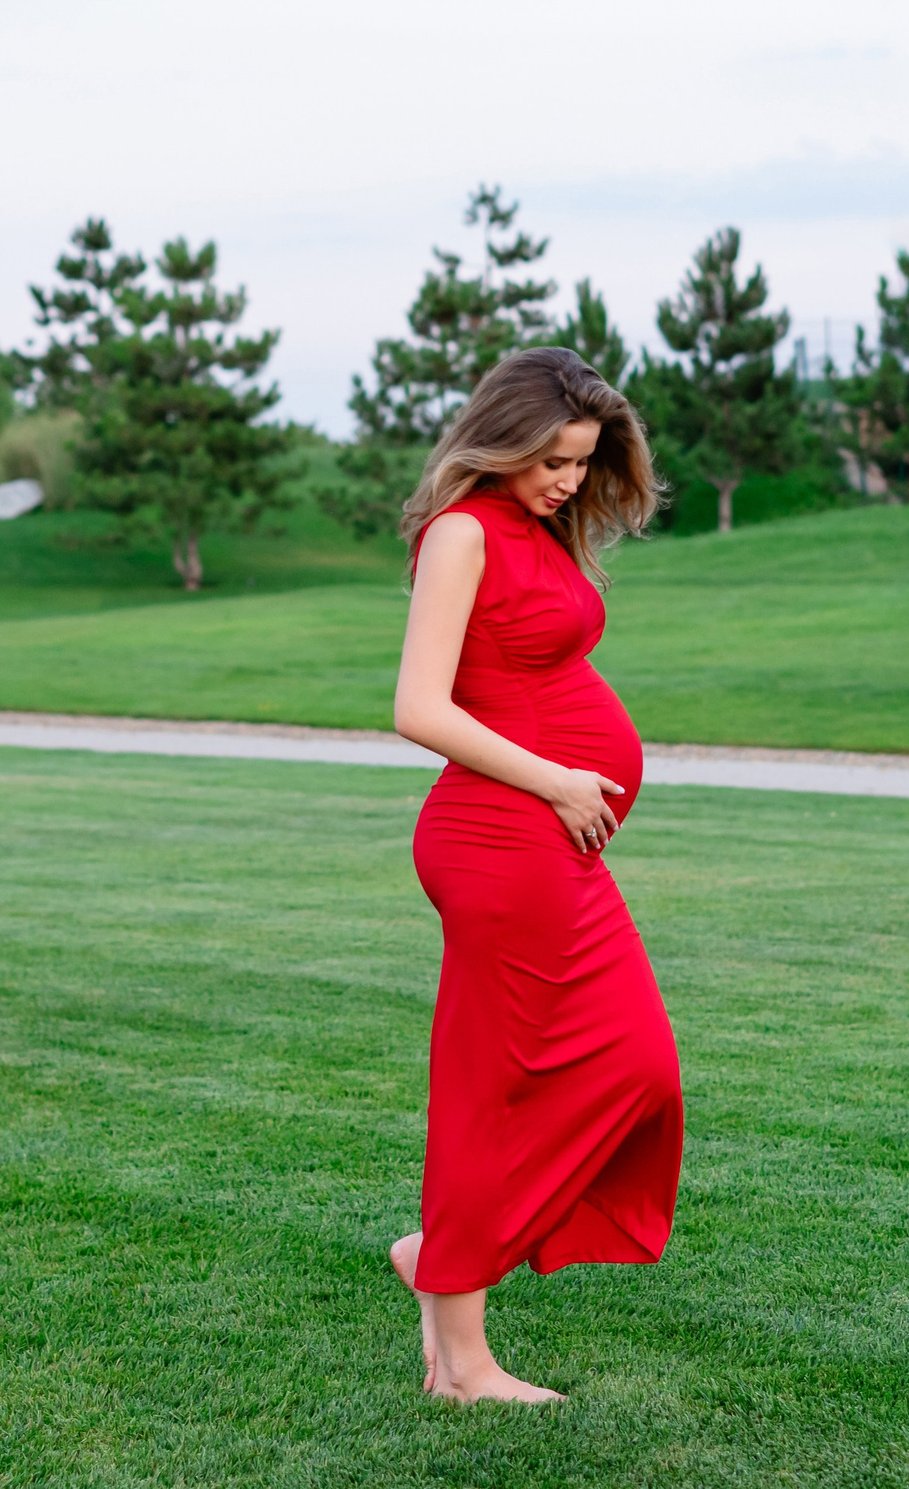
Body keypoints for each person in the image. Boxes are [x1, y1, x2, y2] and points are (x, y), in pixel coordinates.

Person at [385, 346, 685, 1404]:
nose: (568, 479)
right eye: (553, 458)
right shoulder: (463, 531)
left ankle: (445, 1254)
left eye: (584, 460)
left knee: (639, 1067)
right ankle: (462, 1361)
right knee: (490, 1090)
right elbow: (418, 706)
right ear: (502, 437)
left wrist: (569, 789)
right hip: (496, 837)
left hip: (550, 841)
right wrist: (559, 777)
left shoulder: (535, 530)